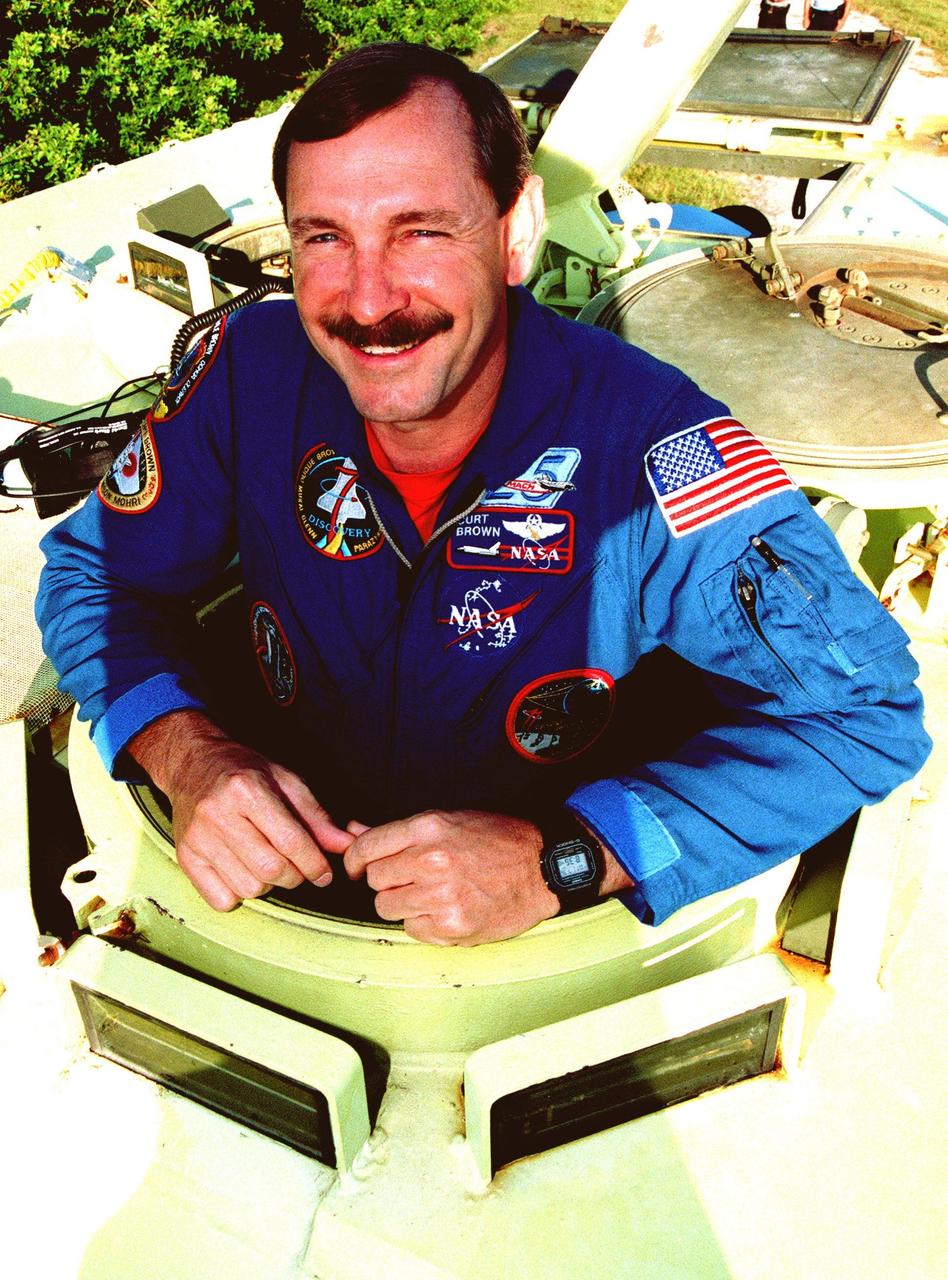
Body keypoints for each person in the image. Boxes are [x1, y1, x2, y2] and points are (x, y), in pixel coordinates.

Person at [37, 43, 930, 947]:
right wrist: (190, 757)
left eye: (421, 230)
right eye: (324, 237)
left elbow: (866, 717)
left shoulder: (654, 450)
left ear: (516, 230)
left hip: (538, 944)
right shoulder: (247, 376)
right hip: (278, 904)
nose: (369, 300)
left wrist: (566, 859)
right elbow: (90, 574)